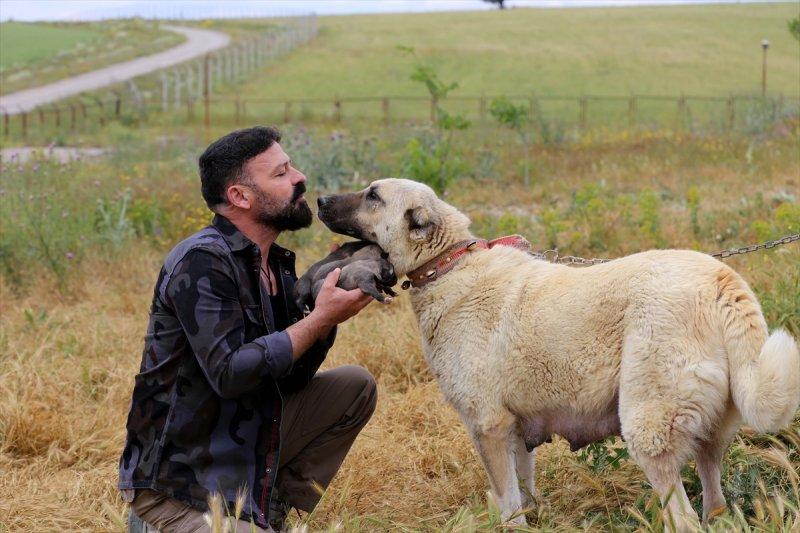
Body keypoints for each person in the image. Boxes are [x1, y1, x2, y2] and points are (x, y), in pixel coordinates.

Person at [118, 126, 377, 532]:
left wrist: (325, 314)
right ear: (240, 196)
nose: (299, 178)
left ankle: (267, 511)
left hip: (240, 448)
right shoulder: (202, 261)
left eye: (290, 167)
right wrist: (319, 318)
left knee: (354, 387)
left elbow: (291, 375)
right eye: (280, 174)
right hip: (181, 483)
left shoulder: (271, 263)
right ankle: (156, 524)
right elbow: (230, 373)